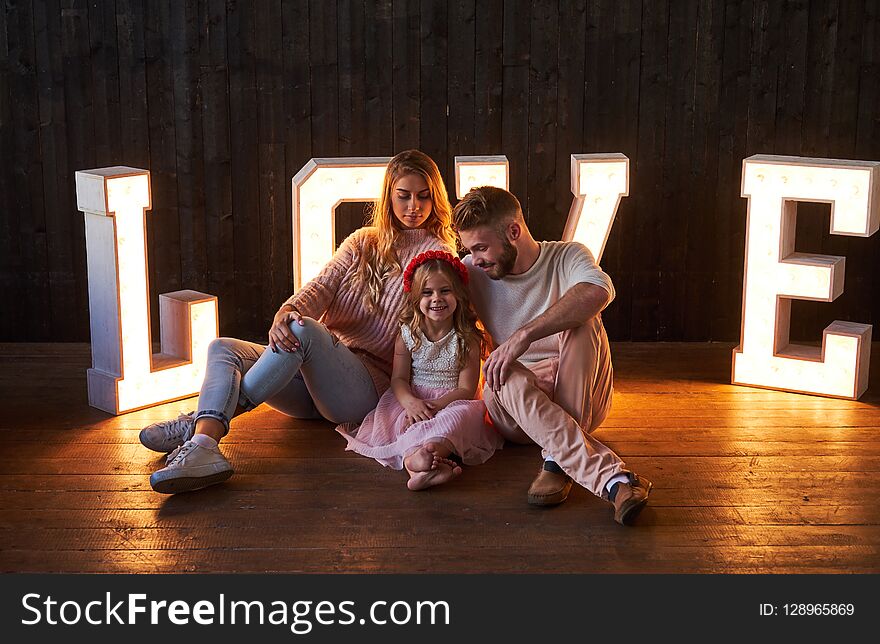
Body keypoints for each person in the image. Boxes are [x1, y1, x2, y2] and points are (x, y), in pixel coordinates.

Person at [142, 150, 457, 494]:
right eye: (404, 196)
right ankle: (204, 435)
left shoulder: (438, 255)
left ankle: (201, 430)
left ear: (435, 198)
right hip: (312, 379)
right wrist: (285, 312)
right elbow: (321, 287)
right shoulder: (362, 241)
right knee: (223, 348)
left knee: (304, 330)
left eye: (424, 196)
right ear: (388, 196)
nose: (414, 206)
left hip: (364, 388)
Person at [452, 186, 652, 525]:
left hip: (580, 392)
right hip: (515, 409)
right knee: (502, 369)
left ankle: (558, 460)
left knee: (584, 321)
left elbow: (598, 291)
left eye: (482, 247)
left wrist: (524, 335)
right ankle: (613, 480)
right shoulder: (471, 270)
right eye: (470, 249)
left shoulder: (568, 256)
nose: (476, 258)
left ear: (513, 231)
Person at [336, 250, 503, 490]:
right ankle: (416, 463)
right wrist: (411, 402)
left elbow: (467, 389)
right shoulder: (408, 334)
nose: (437, 298)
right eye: (427, 292)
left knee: (458, 418)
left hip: (453, 400)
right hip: (413, 397)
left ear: (458, 294)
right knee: (406, 423)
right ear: (416, 298)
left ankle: (425, 458)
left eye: (445, 291)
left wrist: (438, 405)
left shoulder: (467, 337)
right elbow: (399, 379)